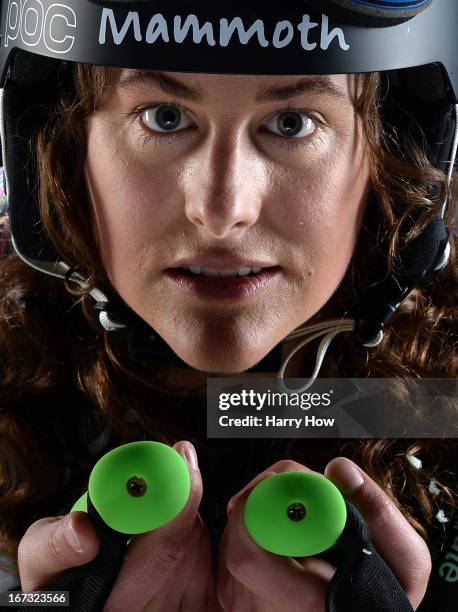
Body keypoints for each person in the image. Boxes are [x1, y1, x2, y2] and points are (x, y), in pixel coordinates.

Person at [0, 1, 456, 610]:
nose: (221, 210)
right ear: (59, 148)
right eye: (165, 117)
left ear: (390, 150)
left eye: (292, 122)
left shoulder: (445, 408)